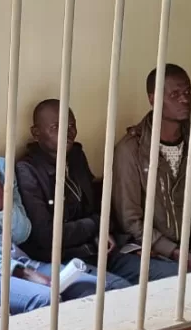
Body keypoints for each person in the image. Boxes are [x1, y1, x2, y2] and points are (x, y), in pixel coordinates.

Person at [0, 111, 131, 315]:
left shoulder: (2, 168)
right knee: (47, 299)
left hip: (25, 261)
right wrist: (21, 272)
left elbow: (22, 232)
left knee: (103, 288)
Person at [17, 99, 166, 283]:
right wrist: (95, 225)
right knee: (119, 288)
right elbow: (48, 235)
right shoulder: (28, 170)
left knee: (172, 273)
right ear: (36, 133)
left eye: (71, 125)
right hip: (67, 259)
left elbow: (97, 204)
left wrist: (105, 230)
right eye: (56, 127)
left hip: (100, 248)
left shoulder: (76, 155)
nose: (67, 133)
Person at [113, 64, 191, 275]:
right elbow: (131, 222)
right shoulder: (131, 150)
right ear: (153, 99)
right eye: (175, 94)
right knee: (185, 280)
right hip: (146, 250)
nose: (185, 99)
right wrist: (179, 254)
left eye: (188, 92)